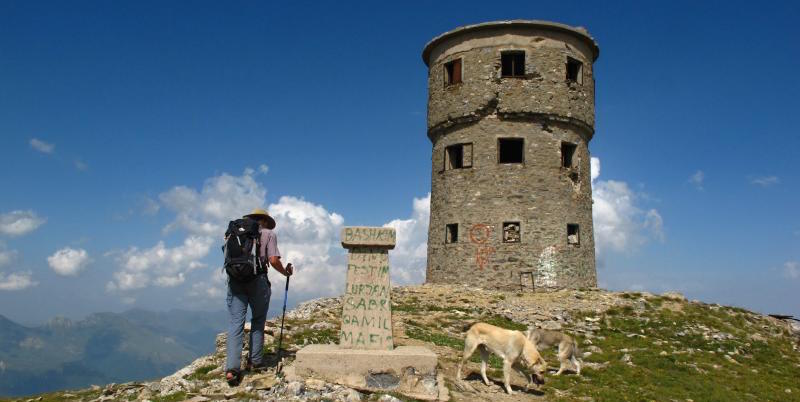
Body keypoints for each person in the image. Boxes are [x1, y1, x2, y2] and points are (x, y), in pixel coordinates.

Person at [225, 208, 293, 385]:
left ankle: (232, 370)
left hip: (235, 280)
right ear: (265, 221)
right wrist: (285, 272)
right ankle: (255, 362)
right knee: (258, 320)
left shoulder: (234, 232)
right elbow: (273, 260)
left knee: (235, 324)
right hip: (258, 280)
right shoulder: (269, 234)